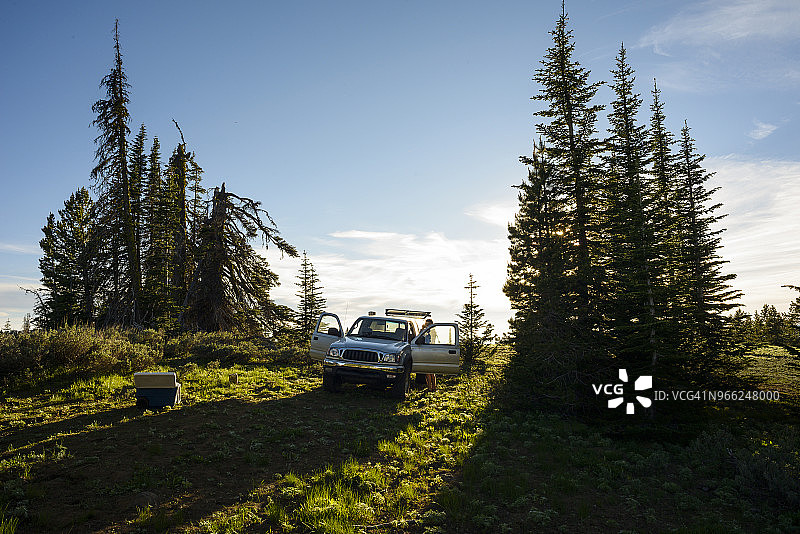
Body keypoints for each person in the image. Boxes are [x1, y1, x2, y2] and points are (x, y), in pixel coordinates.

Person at [421, 318, 437, 392]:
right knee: (432, 371)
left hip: (428, 351)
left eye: (428, 324)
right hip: (433, 351)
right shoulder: (433, 331)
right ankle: (433, 387)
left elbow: (423, 339)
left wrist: (423, 329)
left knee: (428, 371)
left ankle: (430, 388)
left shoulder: (429, 331)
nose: (427, 325)